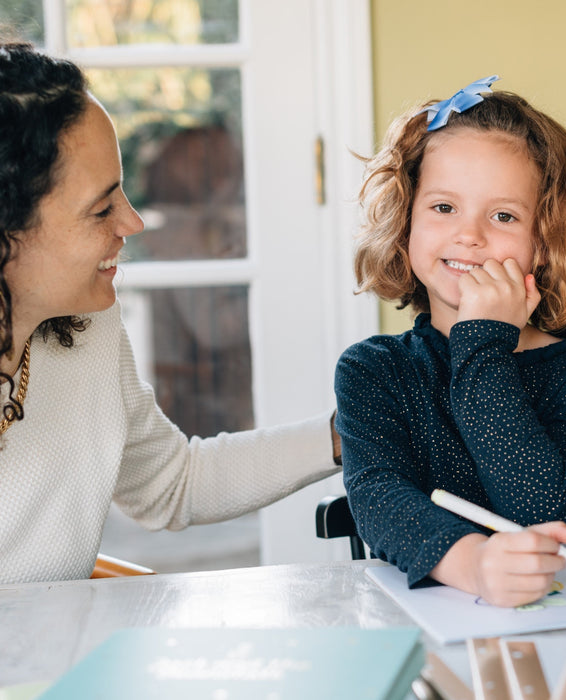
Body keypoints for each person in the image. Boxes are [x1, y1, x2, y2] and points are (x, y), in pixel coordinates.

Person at [0, 42, 341, 585]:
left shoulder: (87, 327)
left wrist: (344, 434)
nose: (133, 223)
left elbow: (172, 484)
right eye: (101, 208)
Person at [335, 76, 566, 608]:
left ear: (549, 239)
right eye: (443, 208)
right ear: (406, 222)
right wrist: (476, 565)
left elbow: (538, 509)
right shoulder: (373, 369)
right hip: (424, 615)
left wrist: (481, 343)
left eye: (504, 216)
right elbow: (380, 499)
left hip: (558, 612)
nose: (470, 235)